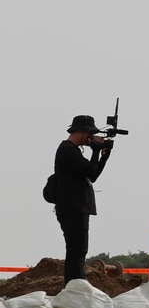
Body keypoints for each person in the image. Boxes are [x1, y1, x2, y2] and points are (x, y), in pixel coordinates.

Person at [51, 115, 113, 284]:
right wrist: (95, 151)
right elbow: (90, 171)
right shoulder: (68, 150)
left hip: (75, 207)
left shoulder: (71, 150)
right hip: (73, 207)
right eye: (90, 134)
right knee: (77, 250)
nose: (91, 137)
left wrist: (103, 157)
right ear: (82, 132)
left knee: (78, 250)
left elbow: (91, 175)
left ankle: (74, 286)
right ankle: (75, 286)